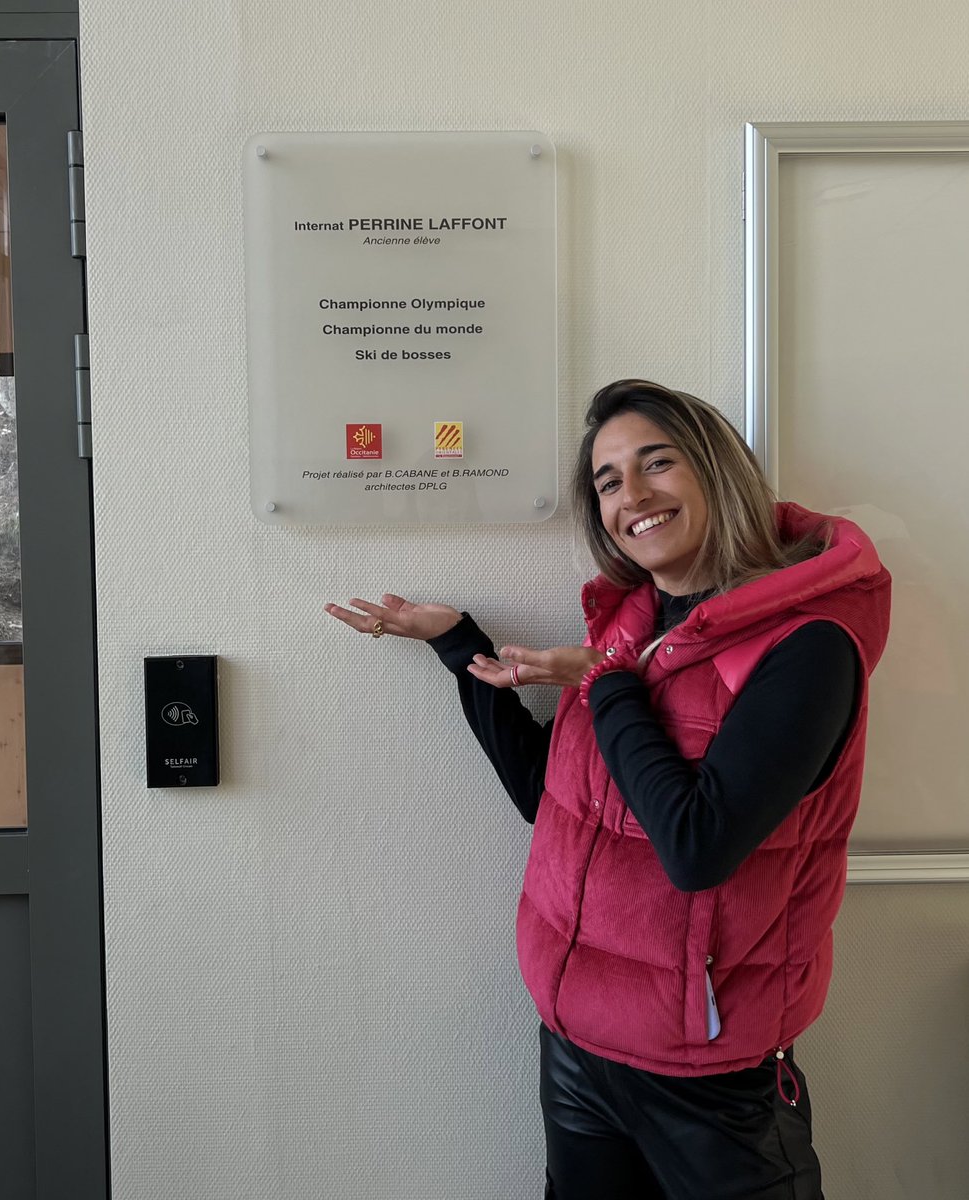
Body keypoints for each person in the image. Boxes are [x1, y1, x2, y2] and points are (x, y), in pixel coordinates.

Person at [325, 379, 891, 1200]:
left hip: (705, 1074)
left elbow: (697, 846)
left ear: (715, 471)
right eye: (609, 480)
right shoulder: (633, 623)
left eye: (656, 463)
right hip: (575, 1046)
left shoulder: (806, 646)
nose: (633, 495)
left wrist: (605, 682)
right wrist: (460, 648)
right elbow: (543, 792)